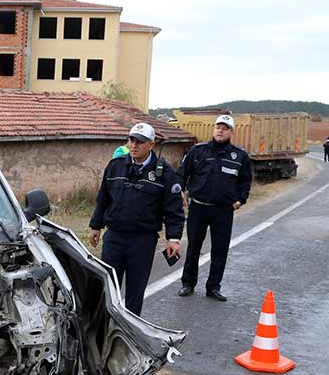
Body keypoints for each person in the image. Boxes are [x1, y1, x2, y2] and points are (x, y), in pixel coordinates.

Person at [89, 123, 184, 316]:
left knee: (135, 289)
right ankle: (107, 325)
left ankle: (131, 330)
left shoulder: (164, 173)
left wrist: (173, 238)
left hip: (143, 240)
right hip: (114, 237)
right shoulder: (115, 166)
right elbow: (103, 199)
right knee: (108, 286)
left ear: (151, 144)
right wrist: (96, 226)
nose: (134, 145)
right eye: (131, 140)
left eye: (139, 142)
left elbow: (173, 209)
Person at [177, 115, 253, 301]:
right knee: (193, 247)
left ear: (231, 132)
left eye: (225, 128)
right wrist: (180, 191)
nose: (220, 130)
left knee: (220, 250)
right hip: (198, 208)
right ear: (214, 129)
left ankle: (213, 287)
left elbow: (245, 181)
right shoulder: (197, 151)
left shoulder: (239, 156)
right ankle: (188, 283)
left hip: (223, 211)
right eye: (218, 127)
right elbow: (181, 174)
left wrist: (240, 200)